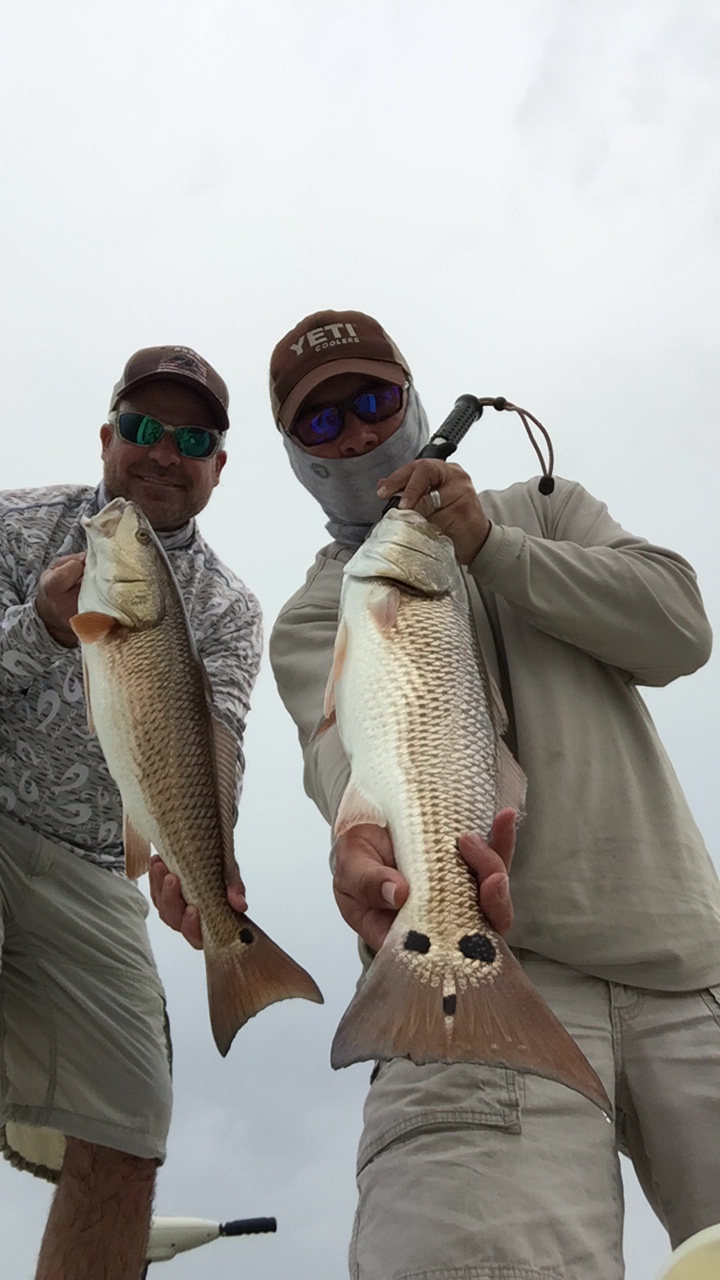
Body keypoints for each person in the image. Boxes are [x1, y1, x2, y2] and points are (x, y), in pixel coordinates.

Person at [264, 310, 720, 1279]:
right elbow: (343, 768)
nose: (356, 432)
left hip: (689, 970)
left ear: (413, 401)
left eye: (374, 400)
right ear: (298, 456)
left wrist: (488, 543)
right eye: (322, 422)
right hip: (474, 970)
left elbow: (680, 628)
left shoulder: (546, 510)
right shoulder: (315, 615)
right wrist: (363, 850)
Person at [0, 345, 262, 1280]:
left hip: (91, 866)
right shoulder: (17, 524)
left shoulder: (229, 608)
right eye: (144, 428)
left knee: (130, 1128)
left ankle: (240, 963)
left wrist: (207, 862)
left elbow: (218, 742)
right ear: (107, 435)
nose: (162, 453)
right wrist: (38, 625)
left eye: (191, 441)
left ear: (218, 466)